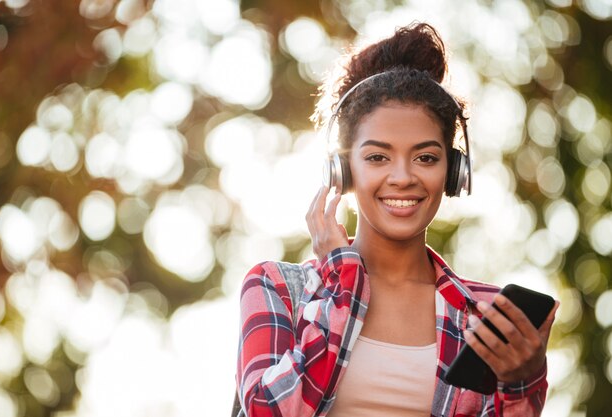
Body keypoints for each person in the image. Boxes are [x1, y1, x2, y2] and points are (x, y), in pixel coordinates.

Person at [235, 22, 558, 417]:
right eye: (377, 157)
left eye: (425, 157)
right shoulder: (280, 289)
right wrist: (344, 279)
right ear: (341, 170)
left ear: (454, 172)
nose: (403, 177)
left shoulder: (485, 317)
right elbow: (266, 410)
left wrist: (522, 380)